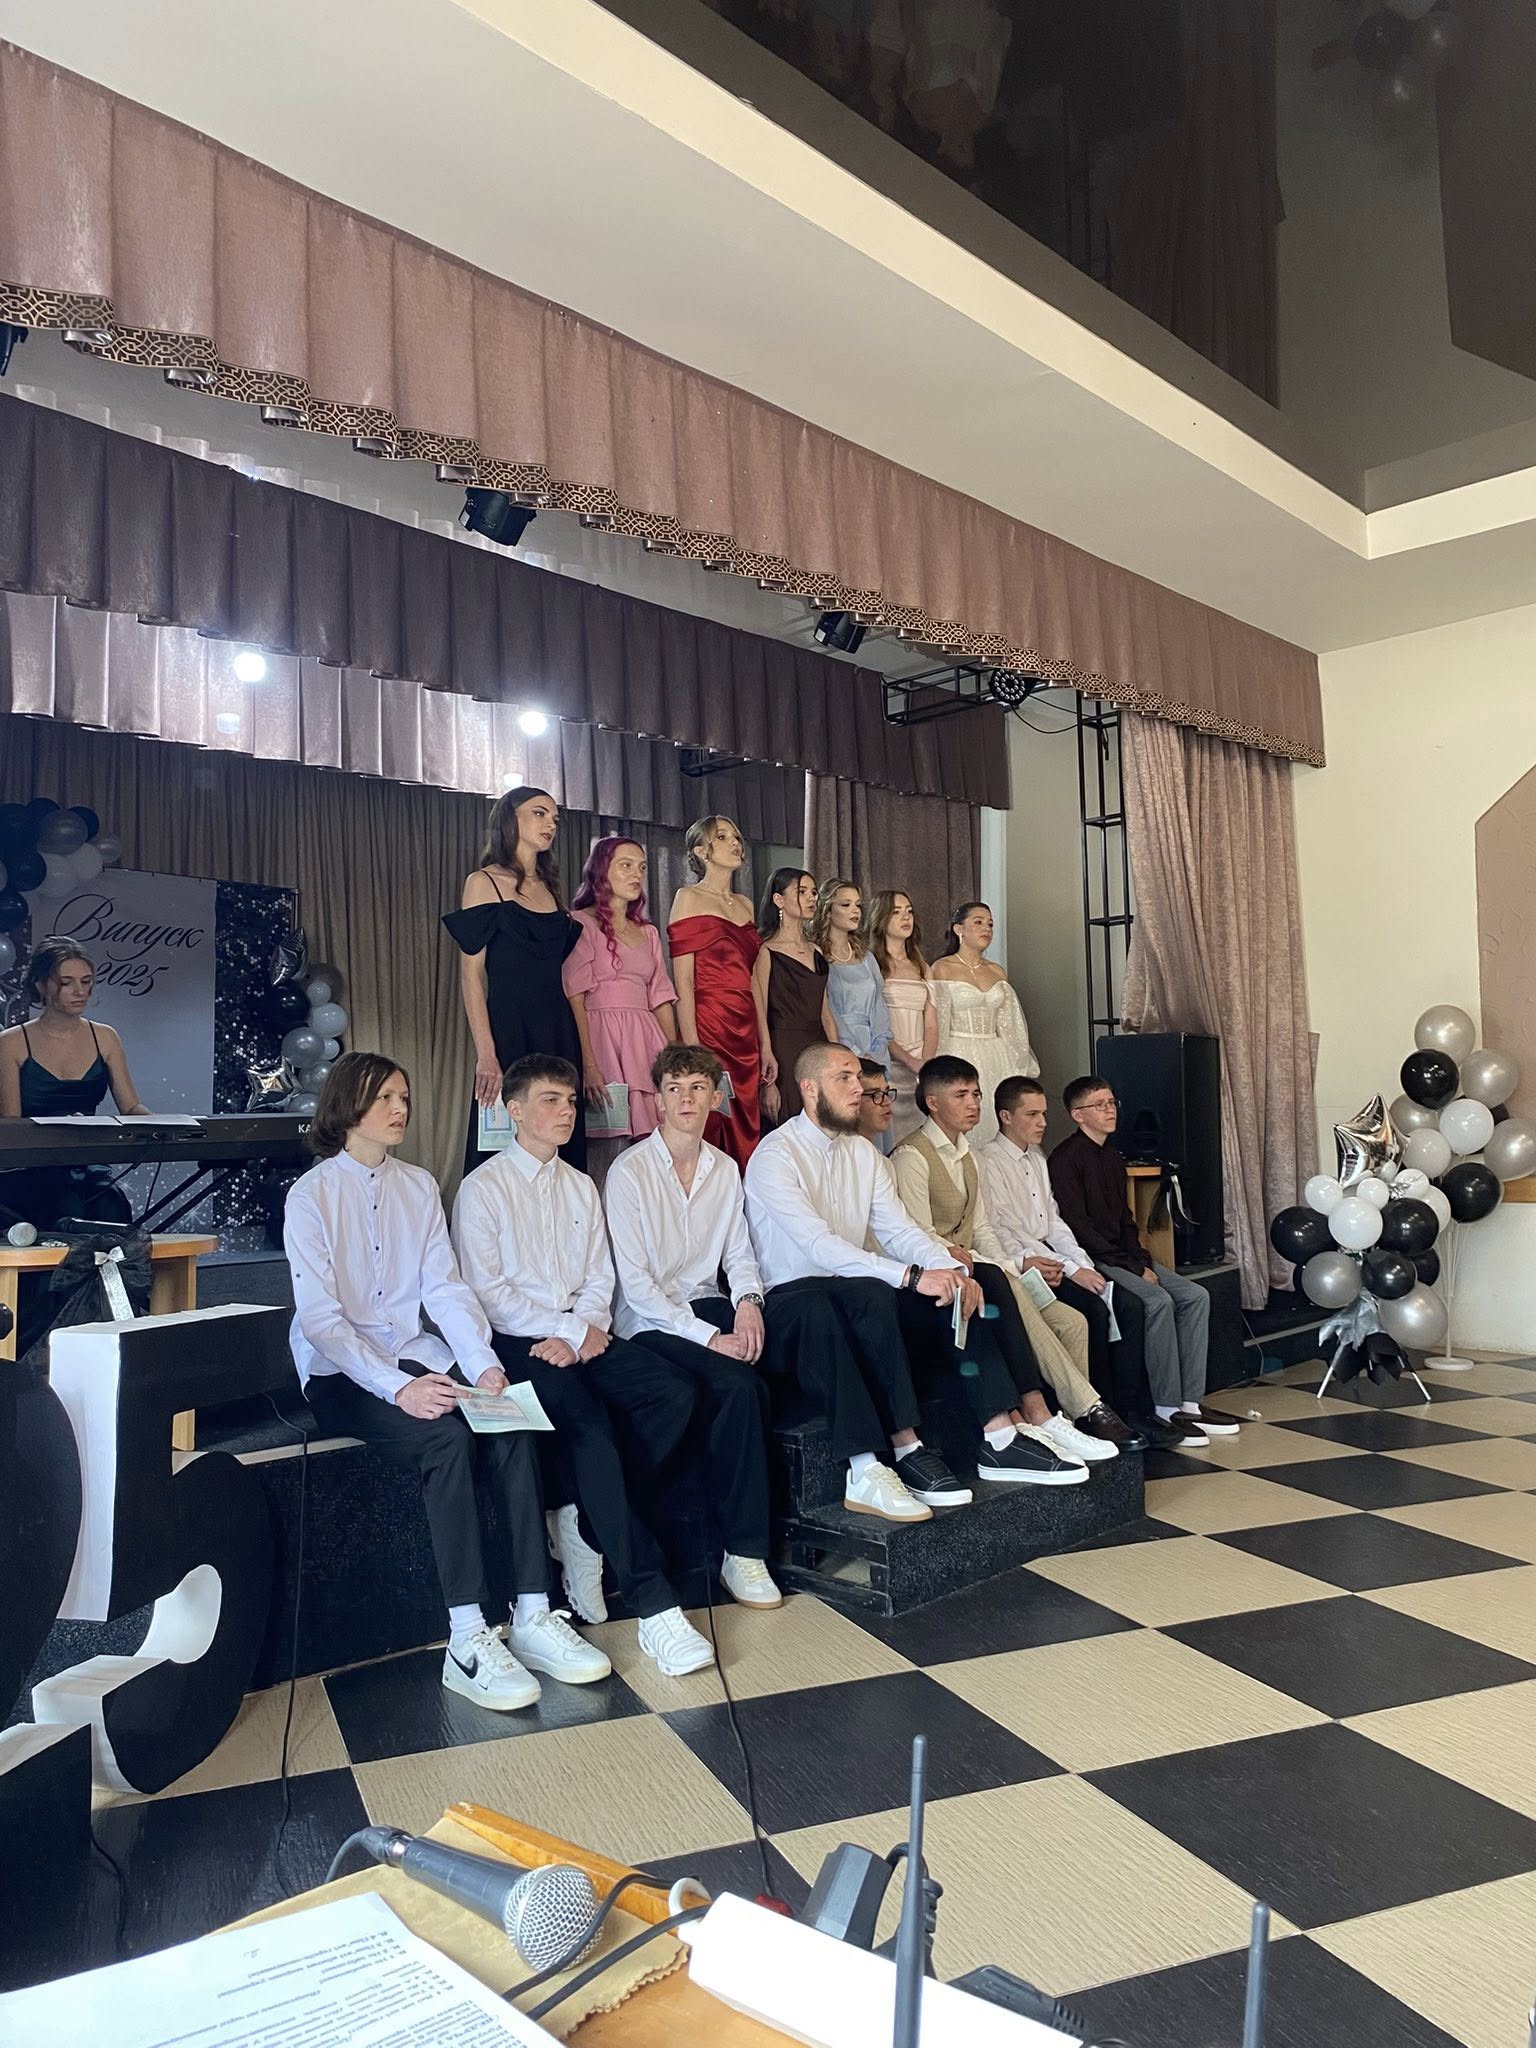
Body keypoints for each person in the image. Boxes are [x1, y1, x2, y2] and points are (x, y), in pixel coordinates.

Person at [284, 1053, 611, 1711]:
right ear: (348, 1106)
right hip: (342, 1373)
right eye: (385, 1098)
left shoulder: (418, 1186)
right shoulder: (310, 1196)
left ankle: (533, 1612)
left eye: (404, 1097)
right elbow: (322, 1321)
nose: (400, 1109)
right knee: (446, 1441)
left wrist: (483, 1364)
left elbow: (446, 1289)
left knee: (510, 1420)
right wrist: (397, 1387)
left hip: (417, 1353)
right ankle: (467, 1637)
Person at [451, 1054, 716, 1678]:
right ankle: (654, 1607)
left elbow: (601, 1275)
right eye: (550, 1100)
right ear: (514, 1110)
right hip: (518, 1343)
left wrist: (585, 1331)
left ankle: (582, 1518)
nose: (566, 1111)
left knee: (674, 1392)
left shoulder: (580, 1184)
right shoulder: (482, 1189)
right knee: (591, 1428)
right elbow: (488, 1294)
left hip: (582, 1333)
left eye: (570, 1101)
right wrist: (568, 1332)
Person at [746, 1041, 1085, 1504]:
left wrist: (950, 1268)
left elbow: (900, 1229)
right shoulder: (775, 1155)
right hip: (794, 1297)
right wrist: (911, 1276)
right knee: (873, 1292)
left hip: (855, 1290)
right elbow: (819, 1247)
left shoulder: (862, 1153)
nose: (858, 1089)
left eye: (858, 1079)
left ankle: (1001, 1436)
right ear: (809, 1088)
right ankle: (904, 1449)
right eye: (844, 1078)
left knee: (978, 1279)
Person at [603, 1043, 782, 1611]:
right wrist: (712, 1339)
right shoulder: (629, 1171)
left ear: (715, 1096)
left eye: (698, 1088)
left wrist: (748, 1302)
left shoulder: (724, 1169)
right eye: (674, 1089)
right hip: (649, 1320)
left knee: (775, 1354)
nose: (686, 1099)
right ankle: (744, 1552)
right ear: (657, 1100)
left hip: (708, 1302)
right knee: (739, 1386)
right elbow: (636, 1286)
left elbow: (739, 1254)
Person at [891, 1057, 1140, 1457]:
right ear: (932, 1102)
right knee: (1007, 1285)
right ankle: (1078, 1411)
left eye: (976, 1094)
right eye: (960, 1095)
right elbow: (917, 1236)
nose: (973, 1103)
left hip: (988, 1266)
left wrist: (1014, 1268)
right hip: (944, 1277)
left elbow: (983, 1229)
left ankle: (1070, 1421)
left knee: (1073, 1321)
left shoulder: (968, 1155)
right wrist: (1005, 1266)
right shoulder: (911, 1157)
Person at [1048, 1075, 1237, 1450]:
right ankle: (1165, 1407)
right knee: (1157, 1300)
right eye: (1099, 1104)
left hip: (1124, 1255)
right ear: (1077, 1114)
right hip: (1094, 1258)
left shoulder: (1113, 1157)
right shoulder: (1065, 1159)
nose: (1110, 1110)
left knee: (1195, 1295)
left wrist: (1139, 1259)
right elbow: (1077, 1227)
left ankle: (1190, 1402)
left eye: (1112, 1102)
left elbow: (1125, 1220)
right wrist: (1133, 1267)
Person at [979, 1075, 1167, 1446]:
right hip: (1022, 1261)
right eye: (1032, 1115)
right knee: (1091, 1312)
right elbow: (1002, 1230)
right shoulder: (989, 1161)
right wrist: (1061, 1266)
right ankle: (1091, 1412)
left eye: (1043, 1114)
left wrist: (1080, 1265)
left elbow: (1055, 1222)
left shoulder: (1038, 1157)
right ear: (1005, 1116)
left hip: (1050, 1255)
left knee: (1119, 1303)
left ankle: (1125, 1408)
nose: (1042, 1123)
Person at [444, 786, 585, 1173]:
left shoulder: (552, 889)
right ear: (510, 818)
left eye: (555, 818)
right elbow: (471, 976)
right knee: (501, 1139)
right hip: (508, 1027)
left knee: (560, 1130)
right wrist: (486, 1052)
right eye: (539, 813)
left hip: (558, 1028)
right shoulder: (483, 882)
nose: (550, 823)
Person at [0, 940, 149, 1230]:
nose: (80, 991)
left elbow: (131, 1107)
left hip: (88, 1163)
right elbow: (10, 1124)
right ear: (41, 985)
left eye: (86, 981)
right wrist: (60, 1129)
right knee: (66, 1205)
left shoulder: (106, 1037)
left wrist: (167, 1127)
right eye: (67, 982)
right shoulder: (11, 1043)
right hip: (32, 1167)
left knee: (110, 1203)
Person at [668, 815, 773, 1169]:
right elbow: (683, 983)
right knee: (711, 1119)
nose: (735, 843)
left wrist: (765, 1044)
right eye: (723, 837)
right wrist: (693, 1047)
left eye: (736, 836)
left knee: (747, 1123)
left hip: (745, 1029)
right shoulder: (688, 898)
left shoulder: (745, 904)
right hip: (708, 1022)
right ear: (702, 851)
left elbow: (753, 981)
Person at [563, 836, 678, 1140]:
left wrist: (675, 1056)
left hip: (645, 1040)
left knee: (655, 1137)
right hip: (601, 1039)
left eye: (641, 867)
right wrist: (589, 1063)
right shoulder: (580, 923)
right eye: (626, 865)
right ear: (601, 870)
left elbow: (661, 997)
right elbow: (575, 995)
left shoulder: (649, 932)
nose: (636, 874)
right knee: (608, 1138)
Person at [931, 902, 1036, 1145]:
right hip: (959, 1049)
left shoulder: (997, 971)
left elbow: (1011, 1024)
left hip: (996, 1053)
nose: (986, 929)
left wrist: (1018, 1061)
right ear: (959, 929)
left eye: (990, 924)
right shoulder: (942, 968)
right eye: (978, 922)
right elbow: (939, 1022)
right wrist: (937, 1064)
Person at [754, 866, 837, 1128]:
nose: (811, 897)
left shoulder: (816, 951)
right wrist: (767, 1057)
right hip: (784, 1047)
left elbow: (825, 1011)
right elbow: (760, 1009)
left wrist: (838, 1054)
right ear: (779, 900)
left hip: (817, 1044)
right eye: (802, 892)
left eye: (813, 892)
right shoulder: (766, 951)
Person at [865, 889, 936, 1144]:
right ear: (881, 918)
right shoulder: (871, 964)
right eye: (896, 912)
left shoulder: (921, 966)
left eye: (909, 911)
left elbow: (931, 1021)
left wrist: (925, 1062)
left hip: (921, 1066)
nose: (906, 917)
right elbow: (877, 1024)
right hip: (890, 1064)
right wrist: (908, 1060)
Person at [812, 879, 891, 1085]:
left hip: (872, 1047)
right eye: (846, 905)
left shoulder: (867, 957)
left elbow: (879, 1008)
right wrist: (853, 1051)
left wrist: (877, 1051)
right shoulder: (816, 955)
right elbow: (828, 1011)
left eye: (857, 905)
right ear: (828, 911)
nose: (855, 911)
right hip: (835, 1043)